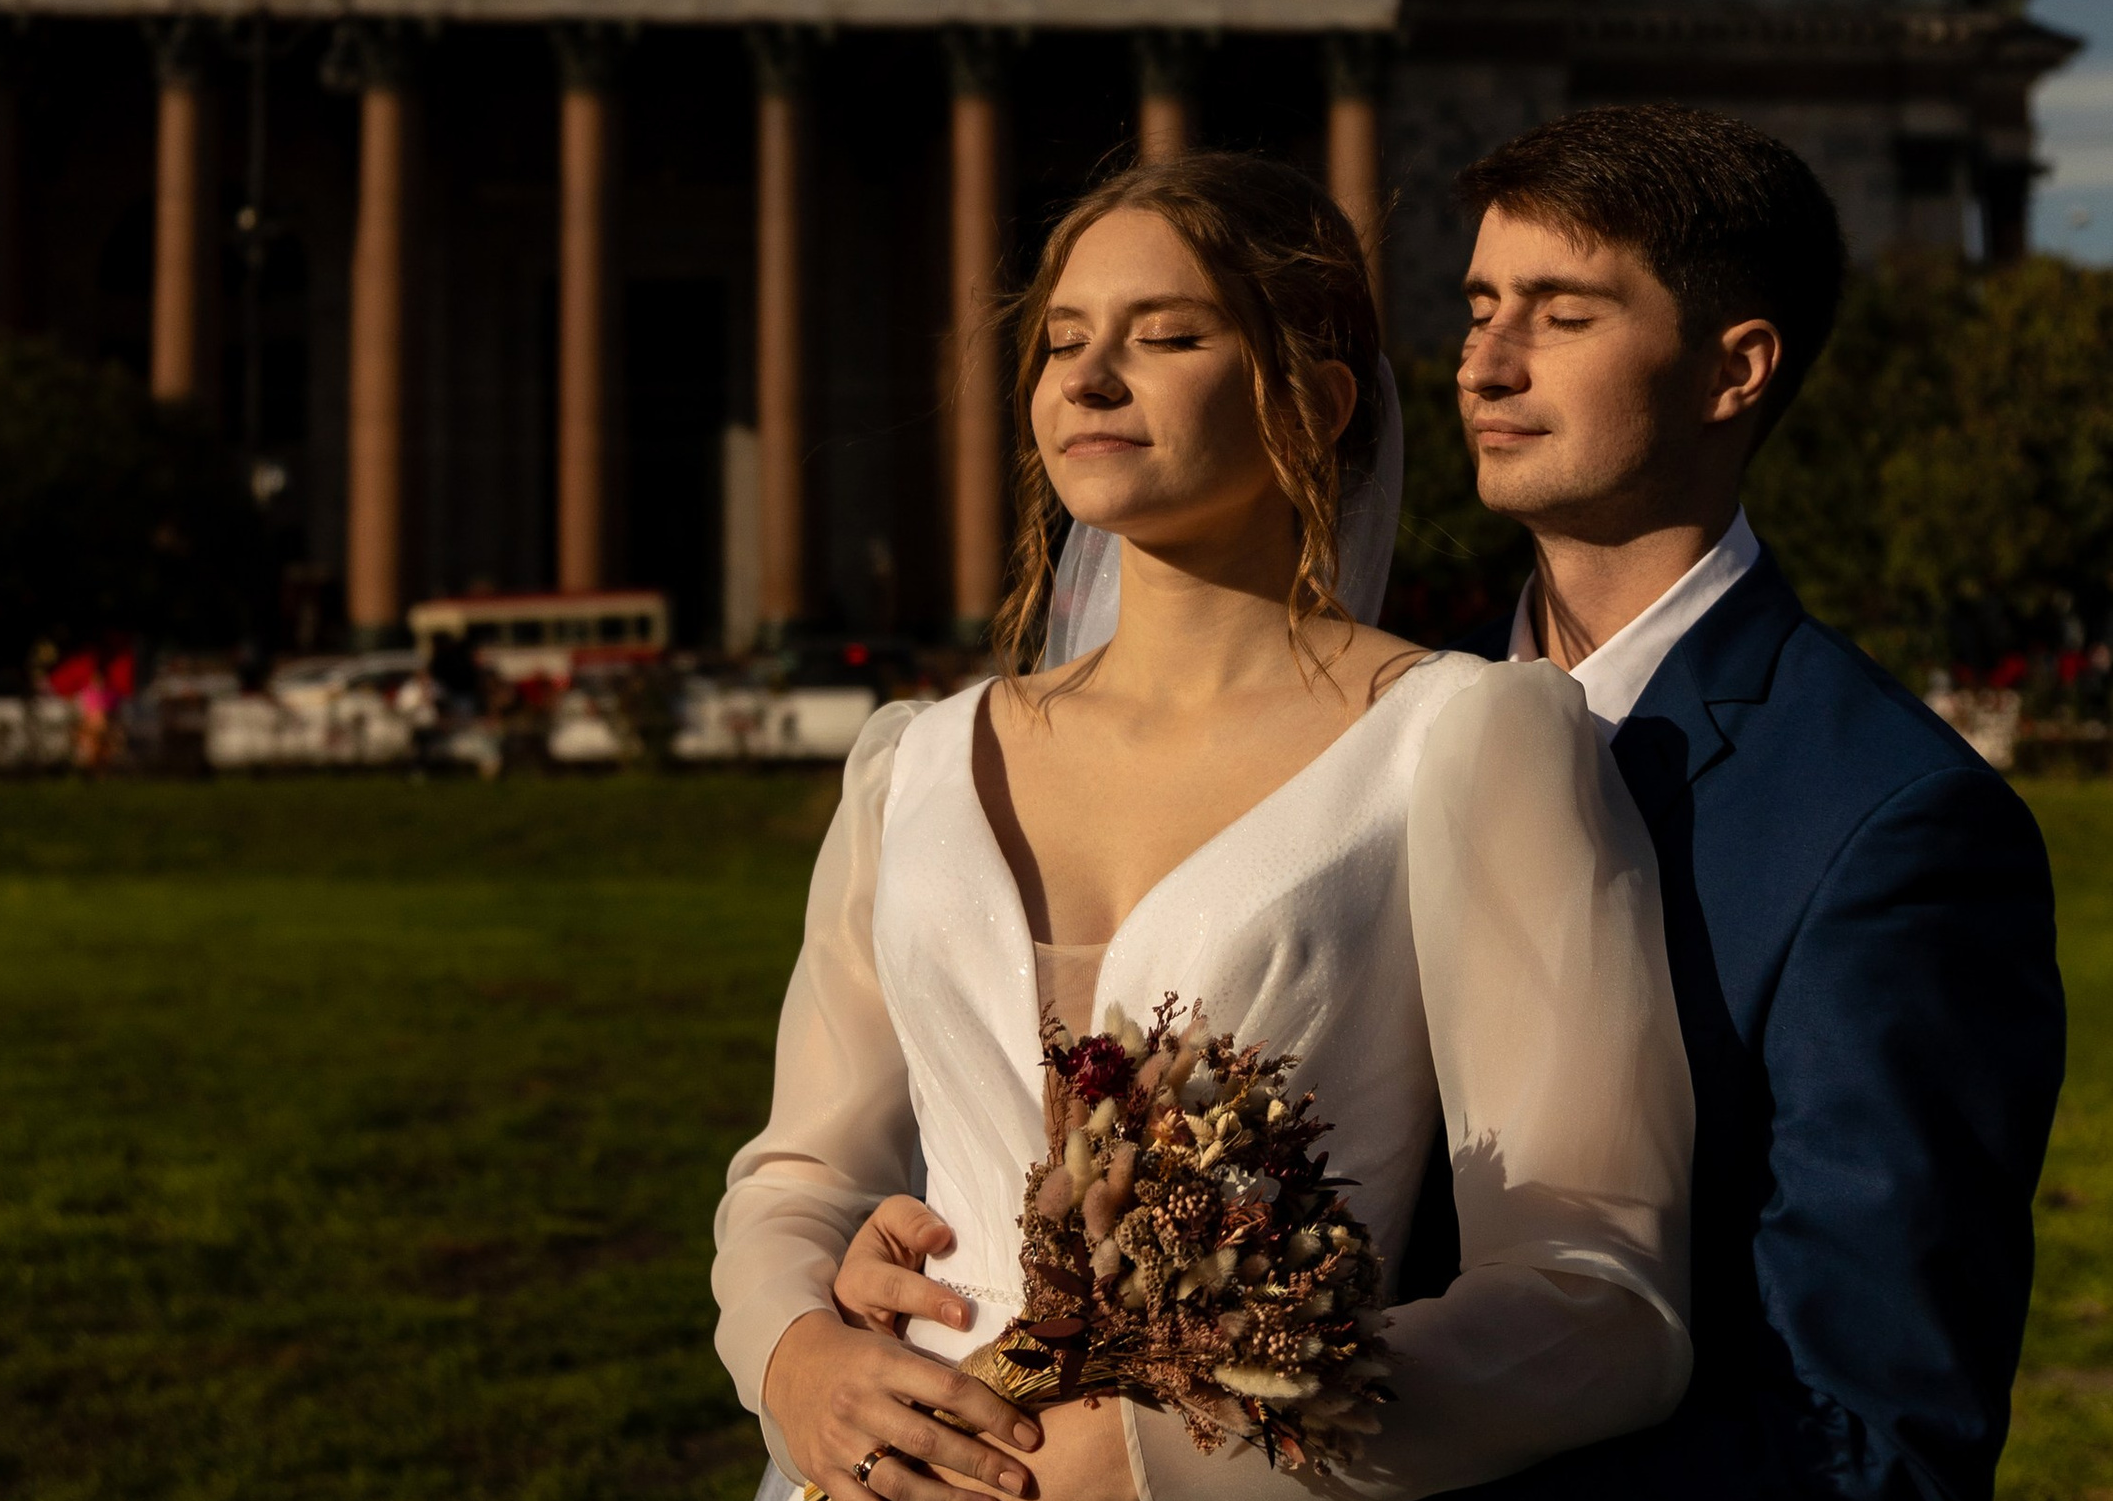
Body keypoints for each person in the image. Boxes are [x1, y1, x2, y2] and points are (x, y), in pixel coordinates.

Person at [713, 153, 1695, 1501]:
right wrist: (796, 1361)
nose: (1091, 378)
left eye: (1167, 335)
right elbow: (802, 1168)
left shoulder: (1467, 743)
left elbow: (1601, 1294)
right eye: (1063, 342)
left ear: (1315, 399)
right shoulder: (914, 764)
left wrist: (1147, 1456)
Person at [1417, 104, 2063, 1500]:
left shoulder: (1894, 829)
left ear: (1735, 369)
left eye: (1563, 313)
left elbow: (1868, 1439)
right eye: (1478, 306)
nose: (1485, 359)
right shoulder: (1375, 732)